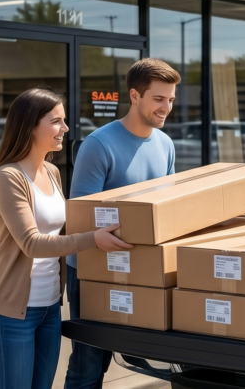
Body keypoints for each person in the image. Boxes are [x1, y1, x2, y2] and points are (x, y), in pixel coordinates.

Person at [0, 87, 133, 389]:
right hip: (11, 312)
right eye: (56, 121)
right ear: (30, 125)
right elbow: (32, 243)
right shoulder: (8, 177)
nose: (65, 128)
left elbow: (61, 231)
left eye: (64, 120)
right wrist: (93, 238)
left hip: (49, 307)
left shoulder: (51, 171)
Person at [64, 58, 180, 389]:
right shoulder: (98, 145)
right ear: (135, 95)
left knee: (140, 354)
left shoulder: (165, 144)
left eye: (170, 100)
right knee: (89, 365)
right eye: (159, 99)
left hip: (140, 265)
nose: (166, 108)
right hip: (92, 268)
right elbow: (80, 217)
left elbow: (168, 206)